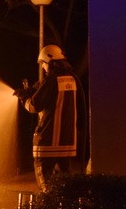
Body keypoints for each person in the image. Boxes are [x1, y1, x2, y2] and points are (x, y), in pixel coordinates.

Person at [14, 44, 88, 191]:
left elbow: (34, 106)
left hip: (47, 142)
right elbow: (80, 110)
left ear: (51, 62)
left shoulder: (52, 80)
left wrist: (24, 97)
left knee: (46, 185)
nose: (43, 67)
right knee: (64, 185)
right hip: (67, 143)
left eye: (43, 63)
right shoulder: (72, 79)